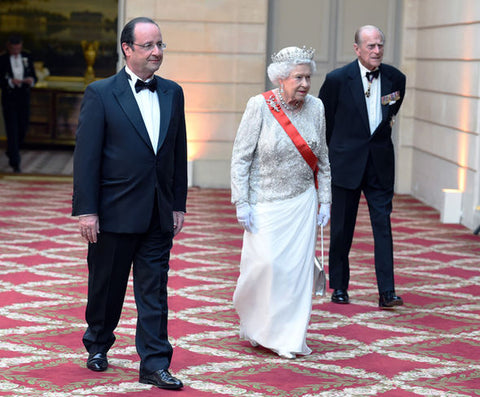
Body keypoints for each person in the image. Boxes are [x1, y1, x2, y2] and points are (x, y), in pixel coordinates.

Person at [72, 17, 187, 390]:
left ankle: (155, 363)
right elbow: (86, 157)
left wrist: (178, 204)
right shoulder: (101, 93)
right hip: (114, 212)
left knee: (154, 291)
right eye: (148, 46)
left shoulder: (173, 92)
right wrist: (87, 210)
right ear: (127, 49)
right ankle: (98, 343)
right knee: (106, 287)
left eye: (160, 45)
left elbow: (177, 154)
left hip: (157, 212)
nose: (157, 52)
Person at [231, 46, 331, 359]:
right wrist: (241, 201)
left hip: (302, 202)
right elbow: (241, 157)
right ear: (281, 78)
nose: (305, 83)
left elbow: (323, 160)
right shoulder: (259, 106)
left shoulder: (316, 108)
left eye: (308, 77)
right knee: (266, 267)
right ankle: (259, 325)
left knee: (295, 274)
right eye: (298, 77)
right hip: (264, 202)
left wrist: (325, 201)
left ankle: (289, 336)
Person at [318, 25, 406, 309]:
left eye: (380, 45)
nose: (377, 51)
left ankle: (387, 292)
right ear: (357, 49)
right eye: (370, 46)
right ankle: (340, 287)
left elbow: (388, 116)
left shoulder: (396, 79)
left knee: (383, 226)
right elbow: (324, 123)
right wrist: (331, 158)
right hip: (345, 164)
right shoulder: (336, 80)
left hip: (380, 165)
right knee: (342, 229)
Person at [0, 34, 37, 173]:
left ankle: (11, 150)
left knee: (23, 127)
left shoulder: (27, 57)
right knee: (12, 130)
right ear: (9, 47)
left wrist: (30, 80)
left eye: (18, 48)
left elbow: (34, 76)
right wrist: (10, 81)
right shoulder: (2, 59)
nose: (16, 51)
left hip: (24, 97)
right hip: (9, 99)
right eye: (14, 49)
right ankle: (15, 162)